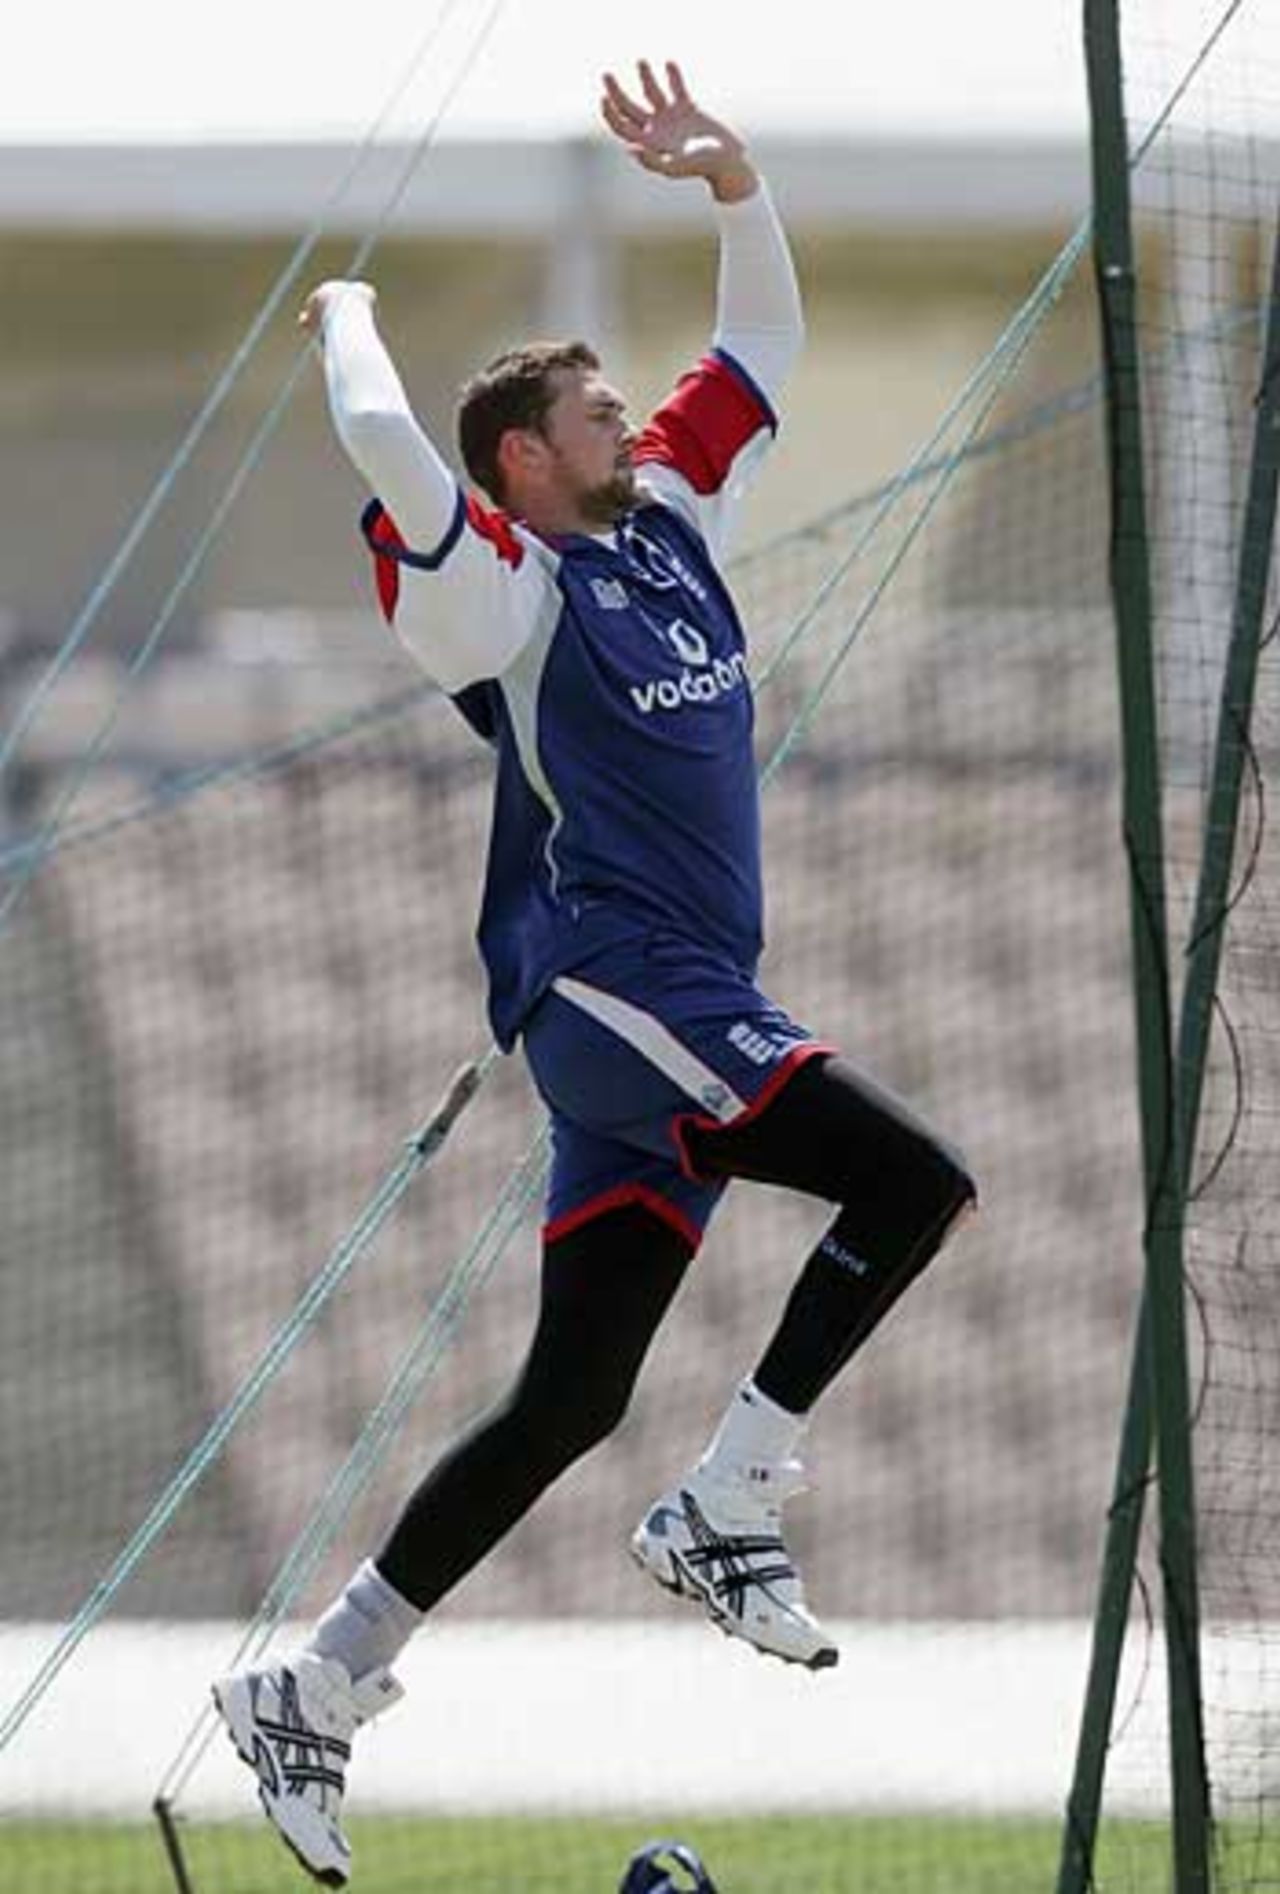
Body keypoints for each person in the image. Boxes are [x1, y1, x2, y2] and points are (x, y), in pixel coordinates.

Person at [214, 59, 977, 1889]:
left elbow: (766, 344)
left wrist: (735, 184)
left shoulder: (670, 522)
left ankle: (315, 1685)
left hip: (677, 998)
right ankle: (731, 1496)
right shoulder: (502, 589)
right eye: (592, 404)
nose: (630, 413)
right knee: (917, 1176)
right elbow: (390, 440)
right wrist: (351, 311)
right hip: (623, 987)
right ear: (523, 457)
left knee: (570, 1398)